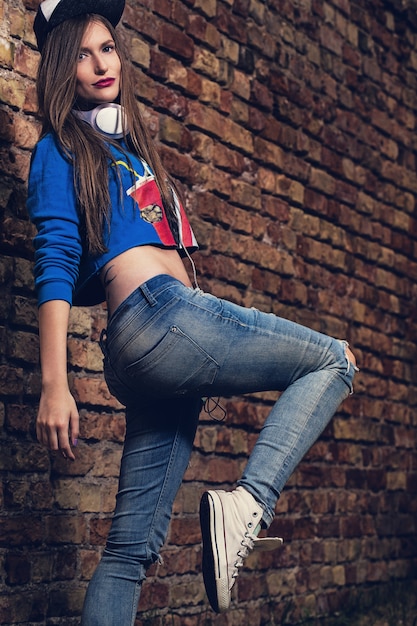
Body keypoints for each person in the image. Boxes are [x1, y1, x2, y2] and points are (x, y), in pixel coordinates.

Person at [28, 1, 358, 624]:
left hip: (155, 345)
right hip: (161, 318)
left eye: (108, 48)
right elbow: (56, 265)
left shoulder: (122, 149)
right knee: (332, 361)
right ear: (59, 70)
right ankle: (248, 504)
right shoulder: (59, 149)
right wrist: (54, 384)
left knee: (128, 551)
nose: (102, 64)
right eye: (81, 54)